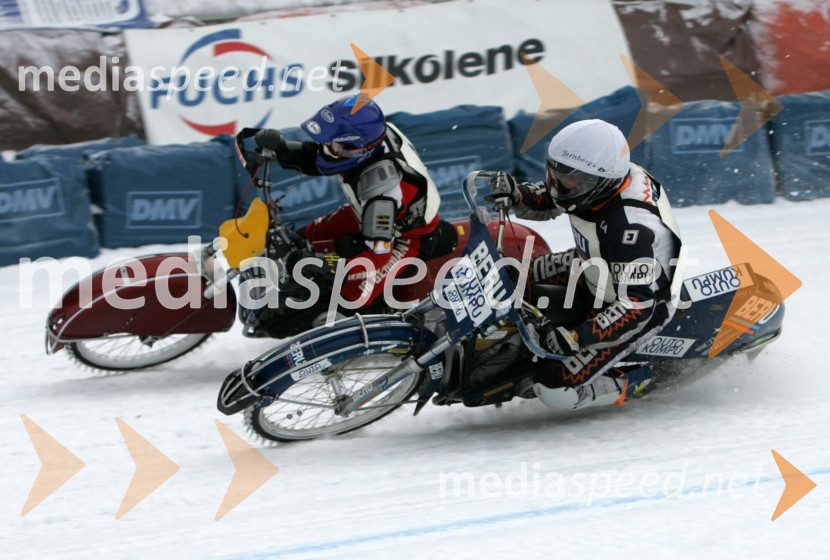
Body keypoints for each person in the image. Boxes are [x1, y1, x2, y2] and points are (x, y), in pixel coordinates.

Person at [487, 119, 683, 410]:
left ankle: (638, 380)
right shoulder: (602, 181)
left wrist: (577, 337)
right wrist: (518, 195)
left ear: (600, 183)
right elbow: (558, 197)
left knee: (553, 389)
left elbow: (638, 306)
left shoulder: (629, 229)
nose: (557, 187)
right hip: (595, 266)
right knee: (512, 276)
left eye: (569, 182)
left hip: (636, 304)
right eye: (555, 174)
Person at [251, 94, 442, 309]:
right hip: (364, 213)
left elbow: (376, 257)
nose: (326, 149)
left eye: (333, 146)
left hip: (407, 236)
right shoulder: (373, 137)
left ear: (358, 149)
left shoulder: (382, 195)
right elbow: (322, 158)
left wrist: (329, 266)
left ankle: (372, 328)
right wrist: (283, 148)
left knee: (351, 298)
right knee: (305, 236)